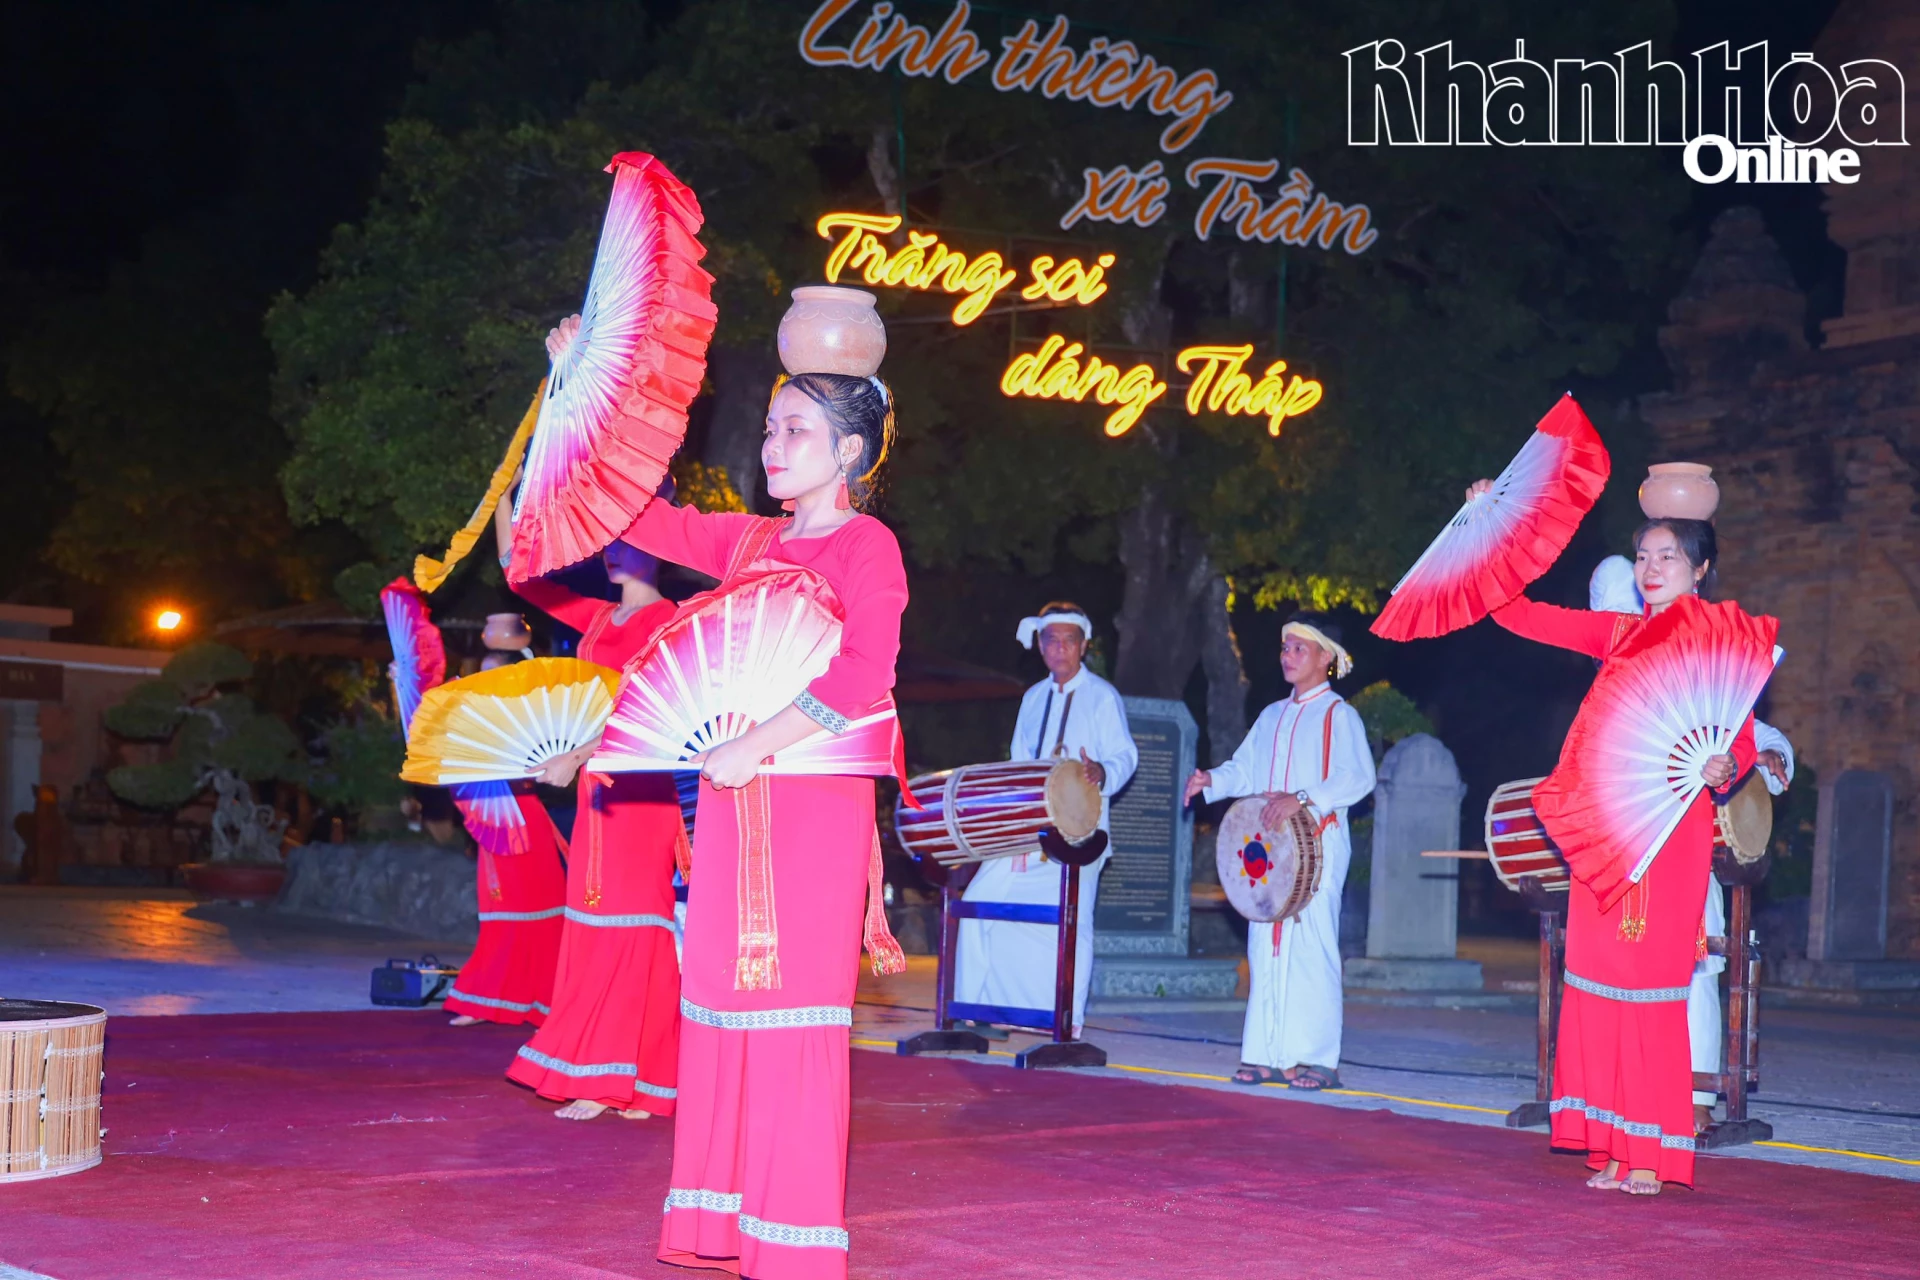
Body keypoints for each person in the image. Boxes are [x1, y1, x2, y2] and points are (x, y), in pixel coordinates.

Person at [616, 351, 907, 1279]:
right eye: (770, 428)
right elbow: (638, 514)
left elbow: (865, 674)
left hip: (810, 799)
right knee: (722, 1004)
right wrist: (601, 385)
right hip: (735, 800)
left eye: (796, 432)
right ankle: (722, 1224)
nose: (771, 446)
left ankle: (793, 1243)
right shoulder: (747, 544)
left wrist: (759, 743)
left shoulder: (869, 547)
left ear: (849, 450)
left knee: (792, 1013)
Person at [1487, 497, 1756, 1196]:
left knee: (1649, 991)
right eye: (1642, 556)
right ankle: (1610, 1146)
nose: (1651, 567)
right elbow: (1517, 615)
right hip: (1607, 831)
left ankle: (1652, 1152)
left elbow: (1742, 740)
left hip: (1669, 835)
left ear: (1700, 569)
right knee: (1595, 986)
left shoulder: (1715, 642)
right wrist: (1496, 529)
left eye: (1667, 555)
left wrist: (1728, 765)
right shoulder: (1621, 635)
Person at [492, 467, 686, 1122]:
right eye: (609, 537)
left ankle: (629, 1078)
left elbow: (649, 708)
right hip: (597, 787)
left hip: (639, 787)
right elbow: (518, 573)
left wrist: (578, 756)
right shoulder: (599, 618)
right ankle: (617, 1075)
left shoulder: (673, 622)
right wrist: (504, 499)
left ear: (658, 546)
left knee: (634, 922)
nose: (612, 547)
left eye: (627, 536)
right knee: (595, 920)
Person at [1588, 557, 1796, 1133]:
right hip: (1620, 848)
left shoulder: (1689, 656)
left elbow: (1745, 724)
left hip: (1681, 843)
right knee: (1615, 974)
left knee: (1695, 965)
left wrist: (1772, 759)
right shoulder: (1609, 676)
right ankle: (1619, 1098)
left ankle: (1696, 1097)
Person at [1183, 615, 1375, 1090]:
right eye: (1285, 648)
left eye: (1299, 649)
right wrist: (1212, 781)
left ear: (1325, 658)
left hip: (1318, 843)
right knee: (1264, 946)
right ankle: (1266, 1055)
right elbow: (1244, 770)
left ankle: (1319, 1060)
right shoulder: (1271, 715)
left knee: (1312, 946)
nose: (1288, 656)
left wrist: (1305, 798)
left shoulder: (1339, 716)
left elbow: (1359, 777)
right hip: (1270, 849)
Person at [954, 602, 1137, 1038]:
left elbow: (1125, 754)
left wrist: (1103, 771)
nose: (1059, 648)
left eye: (1068, 641)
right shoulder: (1033, 697)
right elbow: (1019, 759)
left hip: (1080, 832)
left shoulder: (1103, 696)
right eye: (1051, 640)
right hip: (1027, 829)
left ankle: (1065, 1024)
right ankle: (984, 1011)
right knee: (981, 901)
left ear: (1083, 646)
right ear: (1041, 646)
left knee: (1073, 924)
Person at [441, 640, 568, 1031]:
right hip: (494, 816)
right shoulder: (475, 718)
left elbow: (553, 765)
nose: (486, 679)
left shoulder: (535, 718)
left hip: (526, 816)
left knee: (544, 915)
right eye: (483, 672)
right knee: (502, 915)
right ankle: (484, 999)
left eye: (494, 672)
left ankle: (548, 1002)